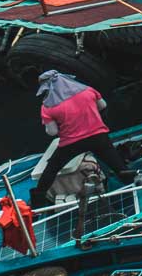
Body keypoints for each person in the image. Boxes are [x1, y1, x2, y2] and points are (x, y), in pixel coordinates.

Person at [29, 71, 131, 206]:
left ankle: (38, 200)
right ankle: (132, 184)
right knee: (118, 165)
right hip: (98, 137)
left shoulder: (47, 107)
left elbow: (52, 132)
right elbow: (103, 106)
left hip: (71, 143)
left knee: (52, 168)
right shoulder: (88, 91)